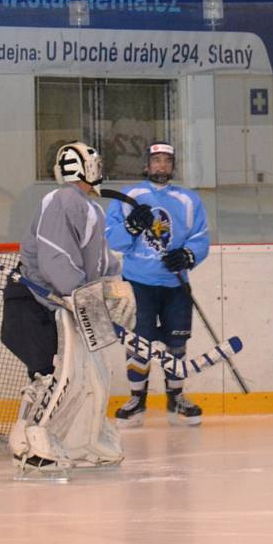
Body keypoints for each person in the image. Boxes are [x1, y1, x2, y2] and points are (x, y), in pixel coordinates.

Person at [1, 141, 133, 472]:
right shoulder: (61, 200)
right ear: (82, 166)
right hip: (36, 303)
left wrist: (113, 289)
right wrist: (78, 292)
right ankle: (31, 445)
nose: (99, 167)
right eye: (94, 162)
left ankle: (85, 441)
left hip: (67, 303)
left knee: (94, 376)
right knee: (50, 378)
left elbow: (100, 262)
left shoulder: (92, 209)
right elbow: (54, 257)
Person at [105, 141, 210, 427]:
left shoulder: (189, 200)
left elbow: (200, 237)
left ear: (173, 165)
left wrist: (188, 255)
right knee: (139, 343)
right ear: (146, 165)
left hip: (176, 285)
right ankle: (137, 400)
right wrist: (131, 228)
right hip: (139, 282)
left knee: (177, 342)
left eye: (167, 160)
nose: (161, 165)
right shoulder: (130, 196)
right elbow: (112, 239)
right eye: (156, 160)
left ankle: (175, 399)